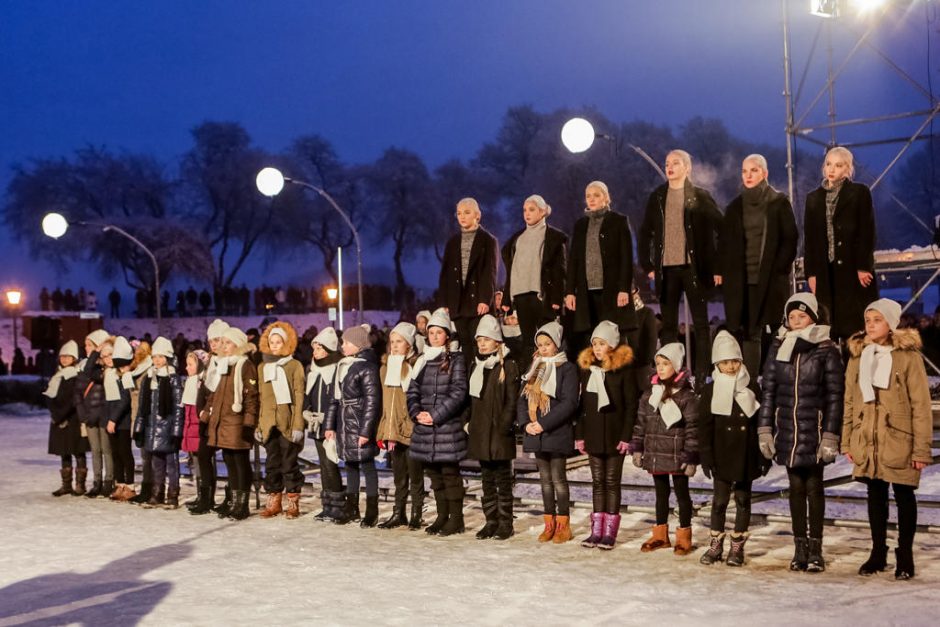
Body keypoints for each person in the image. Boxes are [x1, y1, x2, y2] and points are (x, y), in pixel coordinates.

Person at [842, 299, 933, 580]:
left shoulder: (908, 357)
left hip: (899, 439)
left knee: (904, 495)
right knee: (875, 495)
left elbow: (920, 405)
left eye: (877, 320)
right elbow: (849, 401)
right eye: (868, 320)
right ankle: (877, 551)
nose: (870, 325)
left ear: (891, 323)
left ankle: (904, 553)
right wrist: (848, 441)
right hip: (867, 437)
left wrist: (921, 449)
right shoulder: (858, 357)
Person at [757, 293, 843, 572]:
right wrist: (765, 428)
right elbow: (769, 390)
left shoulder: (826, 349)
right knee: (795, 488)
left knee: (814, 488)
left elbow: (834, 395)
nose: (796, 321)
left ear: (814, 318)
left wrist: (831, 434)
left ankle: (816, 548)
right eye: (792, 316)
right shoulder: (779, 346)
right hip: (788, 430)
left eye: (802, 316)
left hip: (814, 429)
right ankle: (799, 547)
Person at [639, 150, 723, 385]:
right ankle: (669, 375)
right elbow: (645, 231)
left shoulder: (700, 196)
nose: (670, 167)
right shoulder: (657, 196)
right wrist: (648, 264)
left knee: (701, 323)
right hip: (667, 270)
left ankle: (703, 375)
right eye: (667, 163)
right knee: (668, 325)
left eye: (675, 163)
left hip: (694, 268)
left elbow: (722, 228)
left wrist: (718, 266)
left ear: (687, 167)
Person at [719, 154, 798, 376]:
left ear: (764, 173)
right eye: (744, 171)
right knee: (749, 332)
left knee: (776, 330)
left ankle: (780, 380)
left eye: (753, 170)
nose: (748, 175)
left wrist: (780, 268)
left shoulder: (778, 202)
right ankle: (752, 383)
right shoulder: (734, 207)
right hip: (743, 282)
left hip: (771, 279)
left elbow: (790, 239)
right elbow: (725, 243)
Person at [698, 331, 768, 567]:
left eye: (734, 361)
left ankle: (737, 547)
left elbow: (760, 424)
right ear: (717, 364)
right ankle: (715, 545)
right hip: (722, 455)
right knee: (719, 502)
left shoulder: (752, 389)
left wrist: (763, 456)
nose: (730, 367)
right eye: (725, 362)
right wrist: (706, 456)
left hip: (746, 455)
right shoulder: (710, 391)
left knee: (743, 501)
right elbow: (705, 427)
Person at [803, 146, 878, 343]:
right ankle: (834, 372)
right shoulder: (813, 198)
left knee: (854, 327)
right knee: (828, 325)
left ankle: (856, 371)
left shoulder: (859, 192)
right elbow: (809, 238)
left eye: (838, 165)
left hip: (852, 269)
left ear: (847, 168)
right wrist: (811, 272)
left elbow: (866, 231)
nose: (832, 169)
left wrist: (864, 266)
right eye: (828, 164)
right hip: (824, 270)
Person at [631, 343, 699, 556]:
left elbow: (693, 428)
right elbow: (641, 422)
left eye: (665, 364)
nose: (660, 368)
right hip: (655, 453)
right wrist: (638, 447)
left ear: (676, 366)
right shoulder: (650, 393)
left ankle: (684, 536)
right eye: (658, 364)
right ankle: (660, 535)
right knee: (661, 494)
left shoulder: (686, 396)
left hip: (676, 454)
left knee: (682, 494)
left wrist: (691, 456)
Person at [575, 320, 637, 550]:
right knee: (597, 482)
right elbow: (582, 406)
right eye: (595, 344)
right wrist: (580, 435)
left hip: (614, 434)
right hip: (593, 434)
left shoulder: (622, 372)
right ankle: (596, 531)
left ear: (611, 345)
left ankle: (610, 532)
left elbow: (631, 406)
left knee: (611, 481)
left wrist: (626, 436)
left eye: (602, 344)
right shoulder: (588, 372)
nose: (597, 348)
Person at [407, 308, 469, 536]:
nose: (434, 336)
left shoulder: (456, 359)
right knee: (434, 476)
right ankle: (442, 516)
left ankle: (457, 518)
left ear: (447, 335)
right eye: (430, 332)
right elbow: (412, 391)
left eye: (438, 332)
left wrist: (436, 415)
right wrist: (417, 413)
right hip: (425, 428)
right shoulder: (422, 360)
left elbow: (459, 392)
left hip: (446, 428)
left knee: (450, 474)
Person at [517, 321, 578, 544]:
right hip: (535, 433)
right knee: (544, 481)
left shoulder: (567, 368)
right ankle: (549, 524)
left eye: (547, 344)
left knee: (559, 479)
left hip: (556, 431)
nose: (543, 348)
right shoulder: (534, 369)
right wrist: (526, 424)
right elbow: (522, 399)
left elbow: (569, 402)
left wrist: (543, 423)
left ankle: (563, 525)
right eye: (540, 344)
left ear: (557, 345)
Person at [466, 315, 520, 540]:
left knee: (503, 478)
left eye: (487, 339)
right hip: (480, 430)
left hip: (499, 431)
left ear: (497, 341)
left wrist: (505, 425)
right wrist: (467, 422)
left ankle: (505, 522)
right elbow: (471, 399)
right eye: (479, 340)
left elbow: (511, 400)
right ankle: (491, 521)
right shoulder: (476, 366)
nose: (482, 344)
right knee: (486, 478)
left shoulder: (508, 365)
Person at [565, 181, 636, 353]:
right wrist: (569, 291)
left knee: (613, 334)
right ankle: (594, 376)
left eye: (596, 195)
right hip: (586, 291)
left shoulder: (619, 221)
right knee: (590, 335)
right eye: (588, 196)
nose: (591, 199)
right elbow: (573, 259)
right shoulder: (581, 225)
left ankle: (616, 375)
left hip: (611, 290)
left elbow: (626, 257)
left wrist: (624, 288)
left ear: (606, 198)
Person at [501, 195, 568, 370]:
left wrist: (556, 298)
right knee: (528, 340)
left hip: (542, 297)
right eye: (524, 210)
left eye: (531, 209)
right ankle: (529, 381)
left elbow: (559, 271)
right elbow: (511, 271)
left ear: (543, 211)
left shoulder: (553, 237)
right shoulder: (518, 239)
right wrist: (507, 299)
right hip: (521, 296)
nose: (527, 213)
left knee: (548, 340)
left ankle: (550, 379)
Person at [326, 325, 382, 527]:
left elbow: (372, 401)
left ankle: (372, 511)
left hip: (358, 422)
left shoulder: (367, 367)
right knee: (350, 465)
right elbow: (334, 398)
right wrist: (329, 425)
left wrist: (365, 431)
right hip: (344, 422)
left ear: (358, 345)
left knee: (367, 465)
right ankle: (352, 508)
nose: (343, 346)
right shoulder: (343, 365)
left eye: (347, 343)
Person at [201, 327, 259, 521]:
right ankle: (234, 501)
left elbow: (252, 395)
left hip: (237, 421)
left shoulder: (244, 364)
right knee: (229, 462)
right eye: (222, 342)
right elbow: (215, 394)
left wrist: (249, 422)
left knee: (240, 462)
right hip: (222, 421)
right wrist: (206, 416)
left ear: (238, 345)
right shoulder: (223, 365)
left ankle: (242, 504)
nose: (223, 346)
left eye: (228, 343)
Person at [375, 322, 425, 530]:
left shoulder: (416, 366)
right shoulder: (385, 368)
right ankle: (399, 512)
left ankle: (416, 513)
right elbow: (385, 401)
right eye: (392, 342)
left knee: (415, 474)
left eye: (399, 342)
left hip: (411, 428)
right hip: (392, 429)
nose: (394, 346)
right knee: (399, 475)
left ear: (409, 344)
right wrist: (385, 429)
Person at [256, 322, 306, 520]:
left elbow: (299, 395)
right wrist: (260, 425)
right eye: (272, 342)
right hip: (269, 423)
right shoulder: (263, 367)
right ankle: (274, 500)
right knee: (271, 463)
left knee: (289, 463)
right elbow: (261, 397)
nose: (275, 345)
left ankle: (292, 501)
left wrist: (298, 424)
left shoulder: (294, 365)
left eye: (278, 342)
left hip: (287, 423)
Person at [438, 198, 499, 352]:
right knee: (462, 346)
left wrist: (485, 299)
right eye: (459, 213)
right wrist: (445, 302)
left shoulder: (488, 240)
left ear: (477, 215)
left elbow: (489, 271)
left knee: (477, 344)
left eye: (467, 212)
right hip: (457, 302)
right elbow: (445, 275)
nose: (462, 216)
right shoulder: (452, 242)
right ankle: (464, 376)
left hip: (478, 303)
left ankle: (477, 376)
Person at [134, 337, 184, 508]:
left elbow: (178, 406)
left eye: (161, 357)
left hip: (167, 427)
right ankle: (157, 493)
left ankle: (173, 494)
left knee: (171, 463)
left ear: (168, 358)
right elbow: (142, 406)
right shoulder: (149, 378)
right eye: (155, 357)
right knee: (156, 463)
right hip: (151, 427)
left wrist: (177, 429)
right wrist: (139, 426)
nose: (157, 360)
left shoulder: (173, 378)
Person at [303, 328, 345, 521]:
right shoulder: (314, 369)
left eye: (319, 348)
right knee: (323, 465)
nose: (315, 352)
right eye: (315, 348)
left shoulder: (336, 369)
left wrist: (328, 419)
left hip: (330, 425)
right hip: (316, 425)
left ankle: (337, 506)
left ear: (328, 349)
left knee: (330, 464)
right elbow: (309, 394)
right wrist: (307, 410)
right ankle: (327, 504)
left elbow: (336, 399)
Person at [192, 319, 228, 515]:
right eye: (211, 340)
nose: (213, 344)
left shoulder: (226, 361)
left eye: (217, 339)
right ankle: (206, 498)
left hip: (220, 417)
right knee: (204, 456)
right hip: (206, 418)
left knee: (230, 459)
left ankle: (232, 497)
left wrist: (208, 409)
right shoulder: (210, 362)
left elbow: (219, 390)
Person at [44, 340, 89, 497]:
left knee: (78, 451)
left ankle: (80, 485)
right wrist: (55, 414)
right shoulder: (57, 376)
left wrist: (60, 415)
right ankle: (66, 485)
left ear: (74, 358)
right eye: (62, 356)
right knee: (64, 452)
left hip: (73, 418)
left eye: (68, 357)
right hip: (58, 418)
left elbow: (73, 400)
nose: (64, 359)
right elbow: (50, 396)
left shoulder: (76, 376)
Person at [75, 329, 113, 498]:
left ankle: (108, 481)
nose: (86, 348)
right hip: (90, 416)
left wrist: (99, 352)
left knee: (107, 450)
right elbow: (79, 392)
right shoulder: (86, 367)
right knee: (95, 450)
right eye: (85, 345)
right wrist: (83, 414)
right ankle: (97, 482)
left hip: (104, 416)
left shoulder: (106, 367)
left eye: (90, 345)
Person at [104, 337, 137, 501]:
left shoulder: (126, 376)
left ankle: (130, 486)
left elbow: (125, 400)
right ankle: (120, 484)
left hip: (122, 421)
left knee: (125, 453)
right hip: (112, 420)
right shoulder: (110, 375)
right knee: (115, 453)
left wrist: (113, 419)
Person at [180, 349, 210, 511]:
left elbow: (197, 411)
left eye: (190, 365)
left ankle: (205, 496)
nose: (186, 368)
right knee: (197, 462)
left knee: (202, 463)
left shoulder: (201, 383)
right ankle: (201, 495)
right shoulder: (190, 382)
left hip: (199, 429)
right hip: (191, 428)